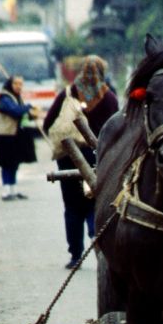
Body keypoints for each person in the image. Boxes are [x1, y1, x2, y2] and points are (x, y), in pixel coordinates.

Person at [44, 55, 119, 269]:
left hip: (69, 156)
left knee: (72, 206)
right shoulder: (110, 98)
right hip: (98, 156)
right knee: (96, 203)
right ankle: (98, 247)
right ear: (102, 73)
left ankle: (75, 255)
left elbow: (49, 121)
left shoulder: (67, 94)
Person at [0, 75, 40, 201]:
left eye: (21, 84)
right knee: (6, 163)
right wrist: (28, 107)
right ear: (10, 84)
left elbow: (22, 115)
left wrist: (32, 115)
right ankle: (5, 191)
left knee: (15, 163)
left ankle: (13, 190)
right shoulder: (4, 97)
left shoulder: (17, 98)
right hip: (6, 135)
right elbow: (15, 111)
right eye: (16, 84)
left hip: (17, 134)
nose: (19, 86)